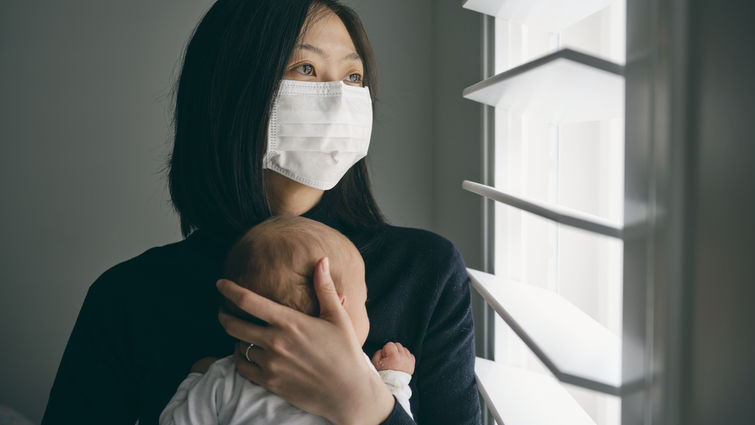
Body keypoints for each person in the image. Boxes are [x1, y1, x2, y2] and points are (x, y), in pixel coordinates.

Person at [41, 1, 481, 424]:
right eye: (305, 69)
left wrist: (362, 404)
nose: (338, 96)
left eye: (352, 76)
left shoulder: (426, 271)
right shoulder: (129, 297)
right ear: (230, 88)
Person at [160, 215, 415, 424]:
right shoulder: (358, 369)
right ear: (337, 306)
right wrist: (395, 378)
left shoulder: (222, 378)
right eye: (365, 302)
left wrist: (196, 378)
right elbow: (395, 410)